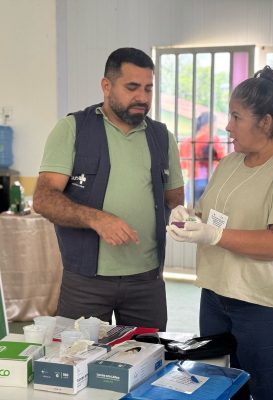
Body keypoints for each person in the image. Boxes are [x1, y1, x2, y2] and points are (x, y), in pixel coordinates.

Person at [167, 65, 273, 399]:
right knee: (221, 386)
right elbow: (215, 216)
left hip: (265, 304)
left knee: (270, 389)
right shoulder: (229, 163)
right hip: (216, 295)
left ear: (265, 122)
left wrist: (213, 236)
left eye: (236, 117)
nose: (226, 126)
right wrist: (189, 217)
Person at [33, 47, 184, 331]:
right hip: (86, 282)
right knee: (77, 362)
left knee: (147, 362)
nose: (142, 97)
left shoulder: (163, 137)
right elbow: (43, 199)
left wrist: (189, 219)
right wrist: (96, 218)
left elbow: (175, 201)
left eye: (148, 89)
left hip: (147, 283)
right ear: (106, 85)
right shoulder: (72, 129)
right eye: (132, 87)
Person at [179, 112, 225, 204]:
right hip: (210, 182)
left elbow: (183, 165)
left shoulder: (187, 142)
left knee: (192, 215)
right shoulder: (214, 140)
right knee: (210, 215)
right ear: (210, 124)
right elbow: (223, 160)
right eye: (216, 124)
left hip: (192, 183)